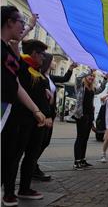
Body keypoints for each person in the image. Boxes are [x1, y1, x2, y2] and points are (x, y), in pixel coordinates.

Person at [1, 6, 46, 206]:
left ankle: (16, 189)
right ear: (9, 21)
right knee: (9, 156)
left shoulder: (9, 53)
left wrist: (36, 110)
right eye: (20, 21)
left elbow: (16, 85)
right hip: (11, 115)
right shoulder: (17, 58)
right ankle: (9, 192)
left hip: (10, 111)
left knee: (12, 154)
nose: (23, 26)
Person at [11, 39, 53, 202]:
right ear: (34, 54)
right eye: (42, 54)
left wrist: (46, 93)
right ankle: (9, 190)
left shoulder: (37, 71)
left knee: (31, 156)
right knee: (16, 155)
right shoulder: (22, 66)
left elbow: (40, 94)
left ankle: (24, 188)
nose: (44, 58)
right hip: (24, 120)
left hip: (38, 123)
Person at [33, 53, 77, 181]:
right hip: (43, 115)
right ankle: (32, 167)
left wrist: (70, 68)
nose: (54, 63)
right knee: (39, 142)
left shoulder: (50, 77)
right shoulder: (41, 77)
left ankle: (33, 164)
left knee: (45, 142)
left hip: (50, 115)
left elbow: (64, 79)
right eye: (52, 60)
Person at [73, 68, 108, 170]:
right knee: (80, 138)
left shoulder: (92, 89)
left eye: (93, 76)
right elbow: (78, 78)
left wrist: (105, 79)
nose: (91, 77)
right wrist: (89, 70)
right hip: (81, 115)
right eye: (90, 75)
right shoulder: (80, 86)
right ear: (86, 76)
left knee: (85, 138)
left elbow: (101, 89)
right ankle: (76, 162)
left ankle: (83, 160)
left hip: (89, 116)